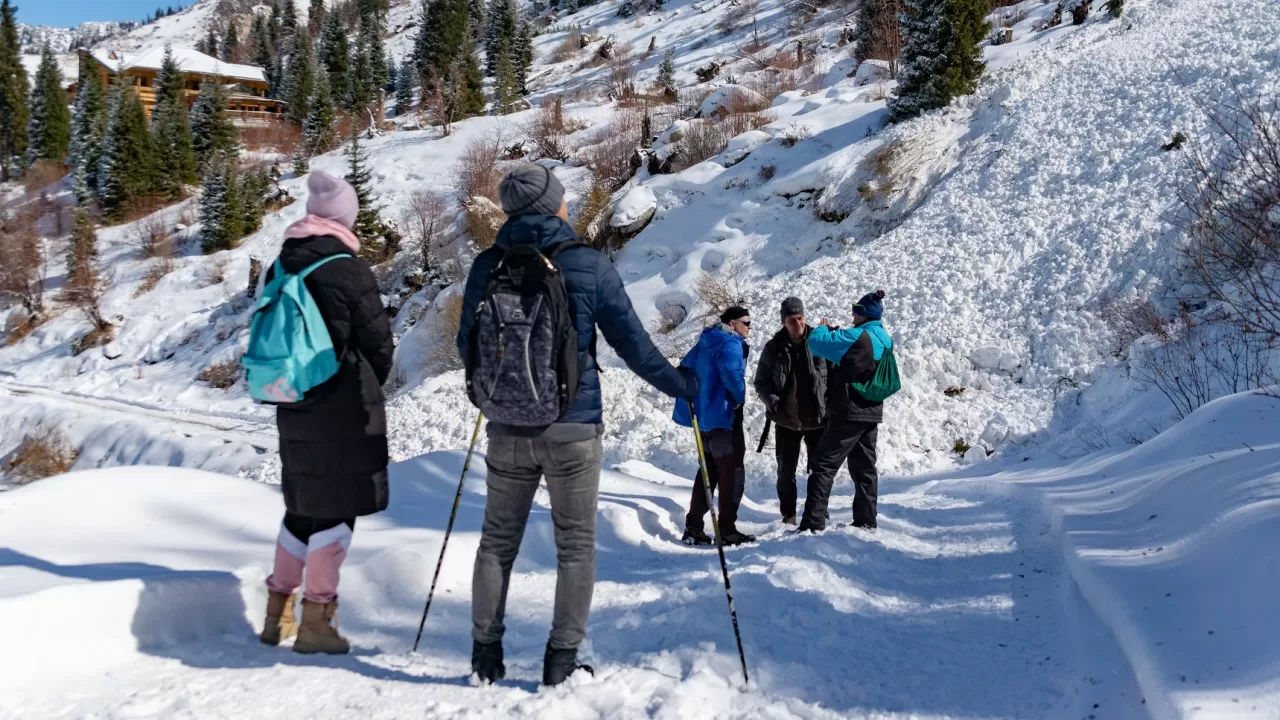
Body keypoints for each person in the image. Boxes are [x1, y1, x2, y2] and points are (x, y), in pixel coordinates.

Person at [457, 163, 699, 686]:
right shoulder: (587, 265)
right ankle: (561, 662)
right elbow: (634, 347)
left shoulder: (487, 265)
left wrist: (494, 392)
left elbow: (467, 346)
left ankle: (484, 657)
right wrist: (683, 387)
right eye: (562, 198)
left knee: (497, 541)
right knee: (575, 545)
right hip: (573, 428)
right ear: (551, 205)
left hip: (506, 427)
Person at [259, 171, 395, 655]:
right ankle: (317, 620)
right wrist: (365, 383)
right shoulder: (347, 267)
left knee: (302, 505)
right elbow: (379, 345)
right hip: (341, 406)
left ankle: (278, 615)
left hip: (291, 400)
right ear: (344, 217)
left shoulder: (282, 264)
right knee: (336, 511)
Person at [797, 290, 892, 533]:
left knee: (824, 466)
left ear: (863, 315)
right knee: (864, 469)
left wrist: (822, 328)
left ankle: (812, 523)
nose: (852, 315)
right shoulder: (883, 337)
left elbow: (816, 345)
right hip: (871, 412)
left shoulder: (857, 335)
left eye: (855, 311)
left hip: (848, 411)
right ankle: (866, 520)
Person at [673, 306, 757, 547]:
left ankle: (693, 527)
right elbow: (731, 373)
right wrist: (740, 398)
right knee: (732, 473)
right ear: (732, 324)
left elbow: (683, 367)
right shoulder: (730, 343)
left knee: (707, 472)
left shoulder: (705, 341)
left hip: (704, 421)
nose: (749, 327)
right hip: (724, 419)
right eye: (746, 322)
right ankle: (728, 529)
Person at [752, 297, 829, 525]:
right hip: (787, 420)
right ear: (783, 322)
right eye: (791, 319)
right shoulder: (774, 347)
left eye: (800, 318)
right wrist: (774, 403)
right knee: (785, 472)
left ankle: (818, 510)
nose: (797, 323)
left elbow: (836, 374)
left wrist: (830, 404)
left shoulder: (819, 341)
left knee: (819, 470)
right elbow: (761, 382)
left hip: (817, 419)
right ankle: (789, 514)